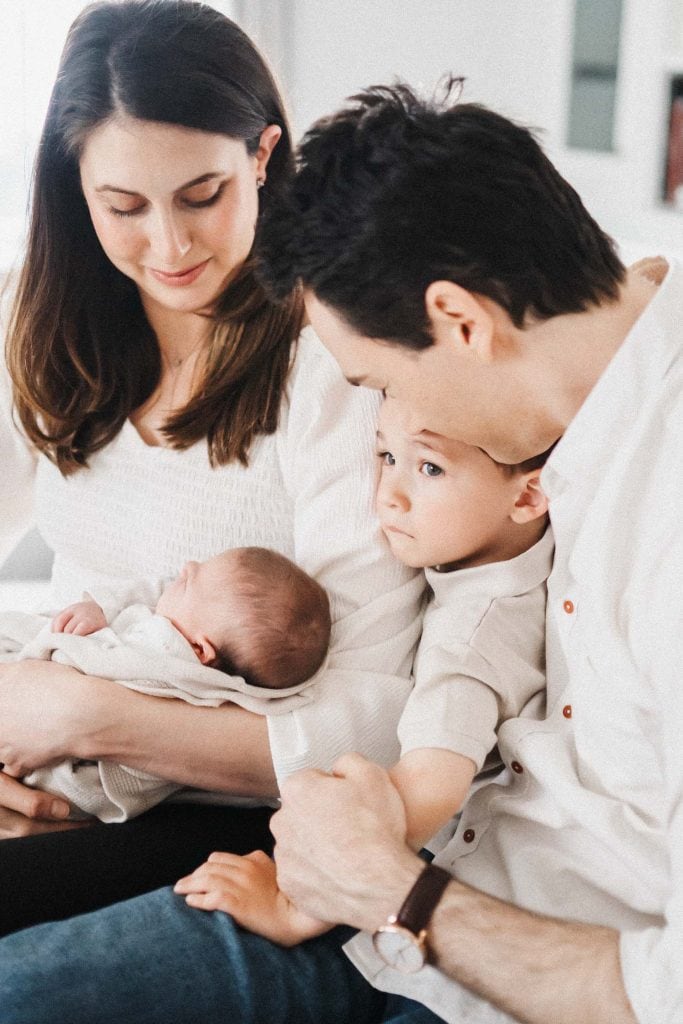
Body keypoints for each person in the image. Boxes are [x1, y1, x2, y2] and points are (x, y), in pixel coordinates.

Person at [1, 80, 676, 1024]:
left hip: (480, 945)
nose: (385, 436)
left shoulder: (657, 519)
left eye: (379, 384)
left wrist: (396, 892)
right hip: (382, 906)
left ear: (461, 322)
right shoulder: (597, 384)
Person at [0, 3, 423, 938]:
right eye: (123, 207)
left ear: (263, 156)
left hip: (232, 817)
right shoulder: (44, 322)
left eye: (203, 195)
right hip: (63, 765)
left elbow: (382, 722)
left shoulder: (333, 363)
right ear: (75, 189)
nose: (171, 246)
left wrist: (80, 715)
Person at [171, 395, 553, 946]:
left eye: (429, 467)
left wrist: (292, 908)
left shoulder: (474, 634)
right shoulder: (491, 561)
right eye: (386, 456)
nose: (388, 495)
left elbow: (431, 788)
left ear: (528, 495)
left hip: (456, 874)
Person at [0, 546, 332, 822]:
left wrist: (60, 642)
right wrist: (97, 608)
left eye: (188, 582)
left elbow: (82, 663)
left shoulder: (164, 656)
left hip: (52, 762)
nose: (184, 568)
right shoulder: (205, 657)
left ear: (200, 649)